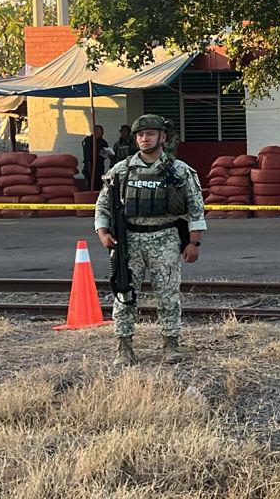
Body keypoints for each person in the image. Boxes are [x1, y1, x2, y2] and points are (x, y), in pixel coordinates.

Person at [94, 114, 206, 366]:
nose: (145, 139)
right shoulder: (121, 170)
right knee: (124, 294)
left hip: (165, 238)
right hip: (129, 240)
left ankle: (171, 344)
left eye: (151, 134)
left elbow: (196, 207)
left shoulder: (179, 171)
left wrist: (194, 242)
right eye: (140, 135)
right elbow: (103, 204)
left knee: (167, 295)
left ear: (163, 137)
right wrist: (102, 231)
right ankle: (123, 348)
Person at [79, 125, 114, 192]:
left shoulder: (103, 142)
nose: (102, 133)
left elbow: (108, 154)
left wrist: (109, 154)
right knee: (90, 186)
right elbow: (88, 156)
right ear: (95, 132)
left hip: (99, 167)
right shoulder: (88, 140)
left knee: (99, 185)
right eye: (101, 131)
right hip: (90, 166)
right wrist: (90, 171)